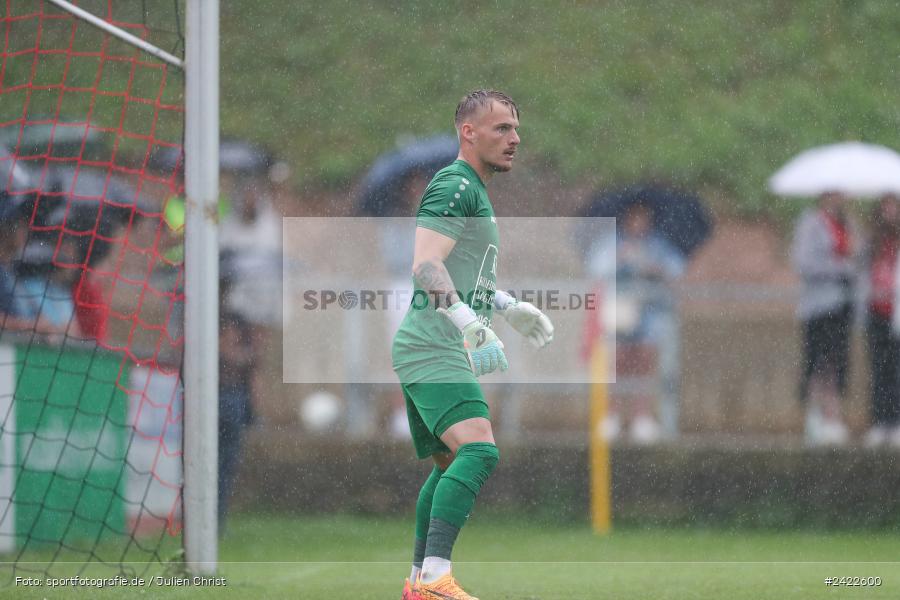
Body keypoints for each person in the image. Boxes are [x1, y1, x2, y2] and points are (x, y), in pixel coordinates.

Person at [391, 90, 554, 600]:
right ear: (469, 132)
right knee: (480, 450)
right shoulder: (455, 183)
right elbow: (425, 265)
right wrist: (467, 322)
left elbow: (461, 271)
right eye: (502, 128)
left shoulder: (473, 190)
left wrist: (507, 307)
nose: (515, 138)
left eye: (516, 128)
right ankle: (437, 577)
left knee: (447, 464)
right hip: (432, 347)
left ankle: (420, 583)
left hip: (429, 345)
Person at [587, 202, 685, 444]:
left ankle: (642, 417)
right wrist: (620, 260)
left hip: (650, 312)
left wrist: (654, 267)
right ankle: (612, 415)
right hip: (621, 309)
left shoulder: (658, 245)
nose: (639, 223)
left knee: (644, 361)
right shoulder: (612, 243)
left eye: (644, 218)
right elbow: (596, 268)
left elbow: (676, 269)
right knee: (618, 361)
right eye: (635, 218)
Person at [790, 191, 860, 445]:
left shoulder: (848, 224)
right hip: (819, 305)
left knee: (837, 360)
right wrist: (838, 268)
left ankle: (834, 417)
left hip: (843, 304)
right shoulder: (811, 224)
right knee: (816, 360)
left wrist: (851, 261)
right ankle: (814, 416)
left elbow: (858, 259)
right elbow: (802, 262)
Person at [864, 195, 900, 447]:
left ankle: (896, 422)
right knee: (879, 368)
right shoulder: (873, 241)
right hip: (876, 311)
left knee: (897, 369)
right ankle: (880, 421)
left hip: (897, 312)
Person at [218, 312, 254, 530]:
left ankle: (218, 521)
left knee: (227, 467)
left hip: (235, 401)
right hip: (221, 401)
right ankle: (210, 521)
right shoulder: (215, 351)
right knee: (217, 467)